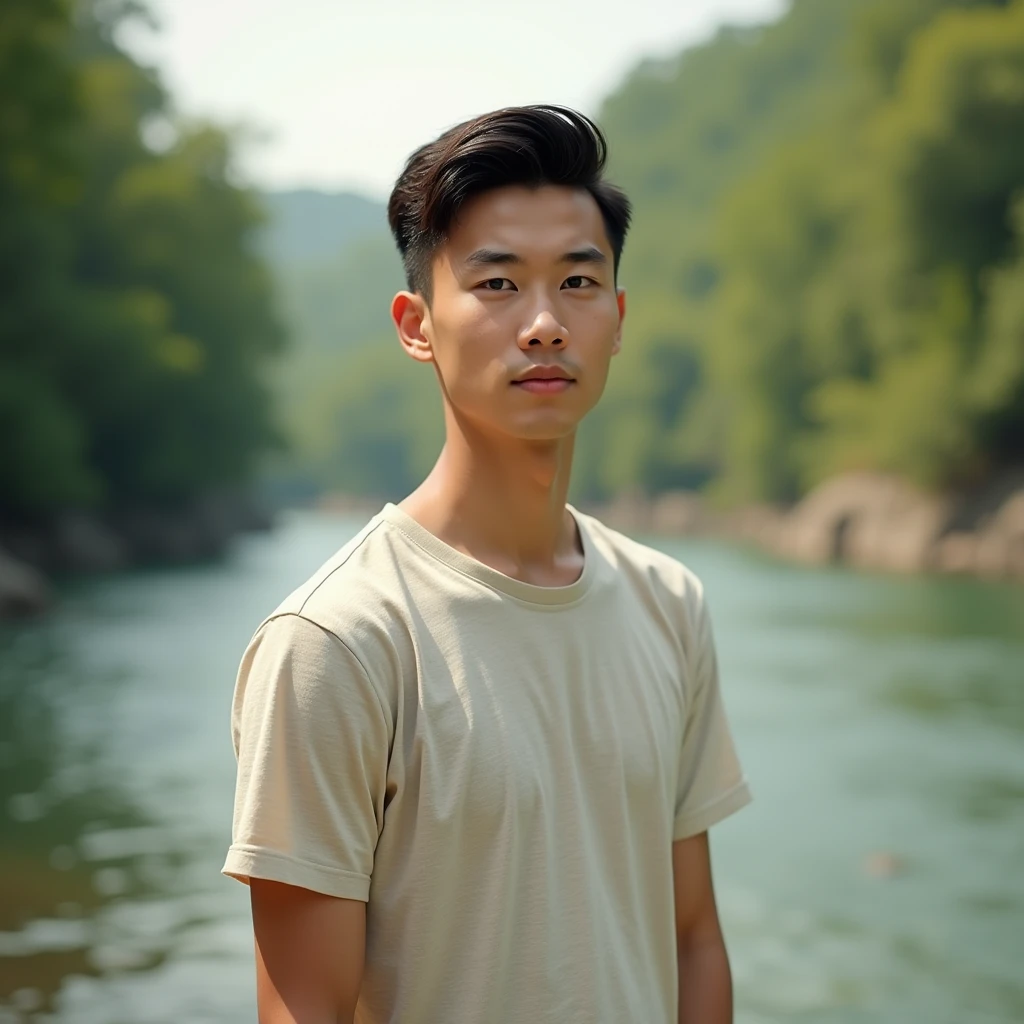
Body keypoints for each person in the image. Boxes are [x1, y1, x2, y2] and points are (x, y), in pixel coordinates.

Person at [223, 104, 752, 1024]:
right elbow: (303, 1009)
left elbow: (694, 937)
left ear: (618, 319)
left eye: (579, 282)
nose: (545, 324)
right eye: (498, 284)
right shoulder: (337, 643)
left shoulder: (670, 602)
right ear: (416, 324)